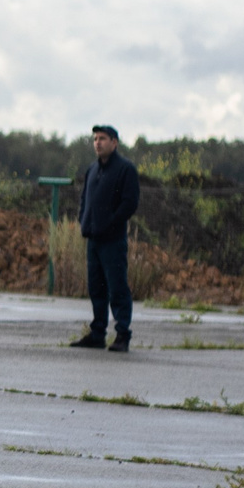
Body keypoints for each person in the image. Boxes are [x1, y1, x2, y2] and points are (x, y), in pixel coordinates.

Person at [70, 125, 140, 353]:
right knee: (96, 288)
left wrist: (110, 222)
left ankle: (122, 335)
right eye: (95, 139)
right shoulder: (92, 170)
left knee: (117, 287)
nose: (97, 143)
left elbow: (129, 203)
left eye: (102, 139)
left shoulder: (125, 169)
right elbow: (85, 200)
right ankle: (97, 333)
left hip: (113, 240)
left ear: (114, 142)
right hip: (93, 239)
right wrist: (84, 221)